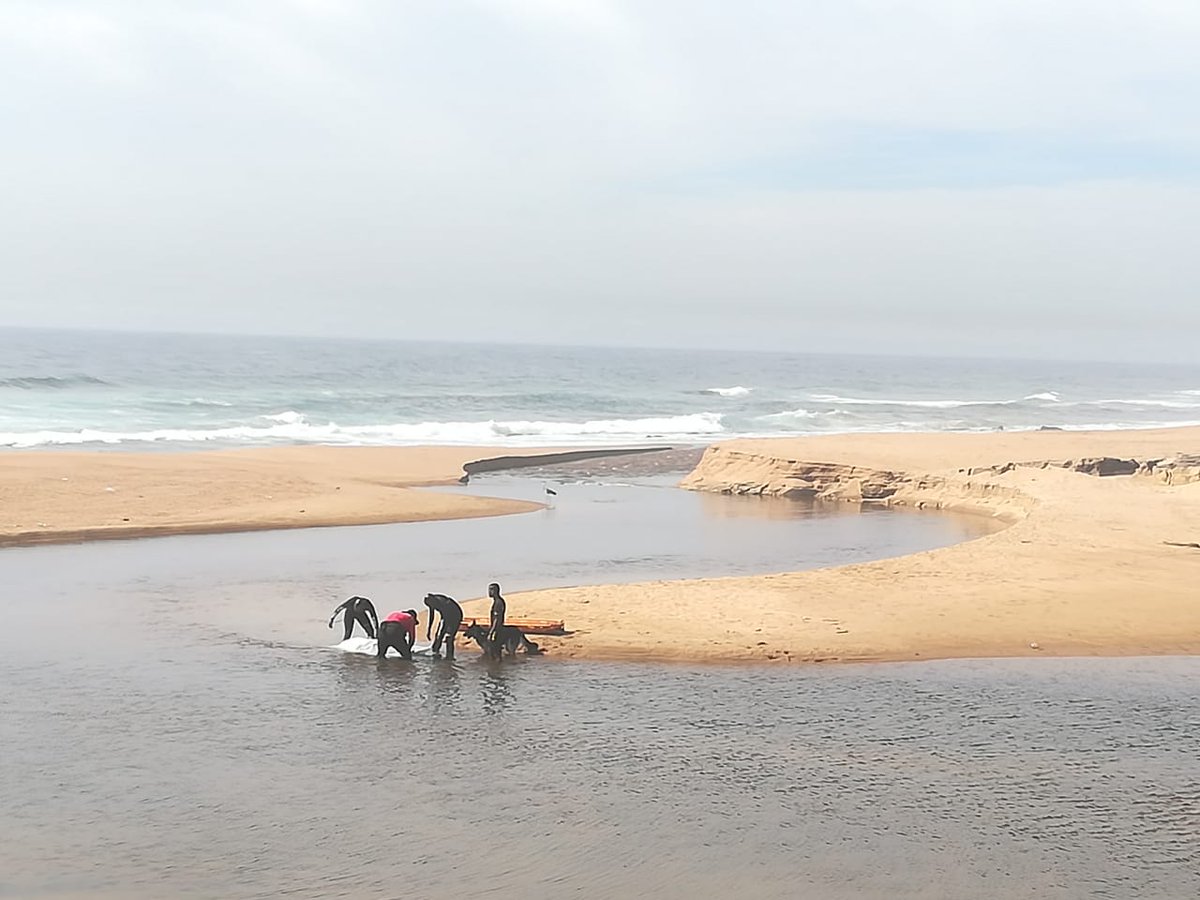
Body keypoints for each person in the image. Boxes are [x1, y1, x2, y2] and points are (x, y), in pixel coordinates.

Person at [424, 593, 464, 660]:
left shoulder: (444, 603)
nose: (432, 608)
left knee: (449, 638)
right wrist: (429, 630)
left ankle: (450, 657)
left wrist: (447, 631)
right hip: (445, 616)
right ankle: (435, 651)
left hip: (456, 616)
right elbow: (431, 616)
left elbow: (447, 621)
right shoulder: (432, 601)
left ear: (434, 602)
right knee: (438, 635)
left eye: (432, 606)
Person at [487, 582, 506, 649]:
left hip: (497, 629)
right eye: (489, 589)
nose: (489, 592)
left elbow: (497, 618)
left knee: (495, 650)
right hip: (496, 628)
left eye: (491, 590)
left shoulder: (498, 602)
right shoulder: (497, 601)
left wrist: (492, 631)